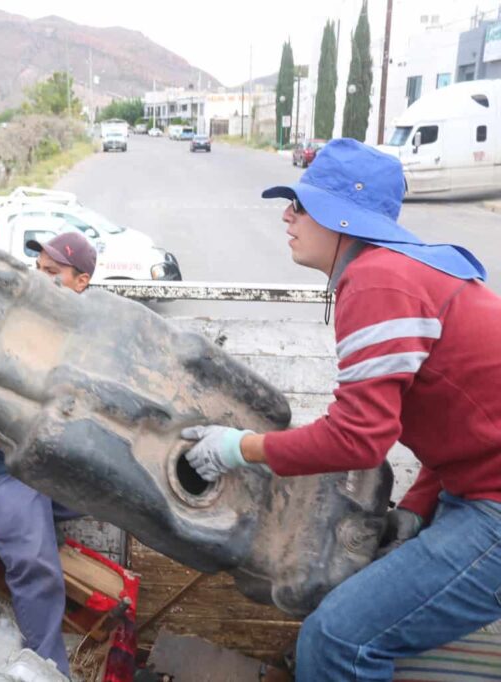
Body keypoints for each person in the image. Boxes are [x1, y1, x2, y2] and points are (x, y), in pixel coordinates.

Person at [181, 138, 501, 681]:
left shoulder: (378, 280)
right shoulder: (404, 272)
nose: (288, 215)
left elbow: (359, 440)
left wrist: (235, 449)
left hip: (491, 506)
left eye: (303, 206)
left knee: (336, 641)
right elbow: (469, 418)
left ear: (344, 218)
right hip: (473, 488)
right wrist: (418, 508)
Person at [0, 231, 97, 676]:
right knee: (37, 572)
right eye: (37, 271)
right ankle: (50, 670)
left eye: (52, 274)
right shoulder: (16, 317)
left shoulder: (74, 325)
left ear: (82, 282)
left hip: (35, 463)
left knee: (108, 495)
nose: (40, 281)